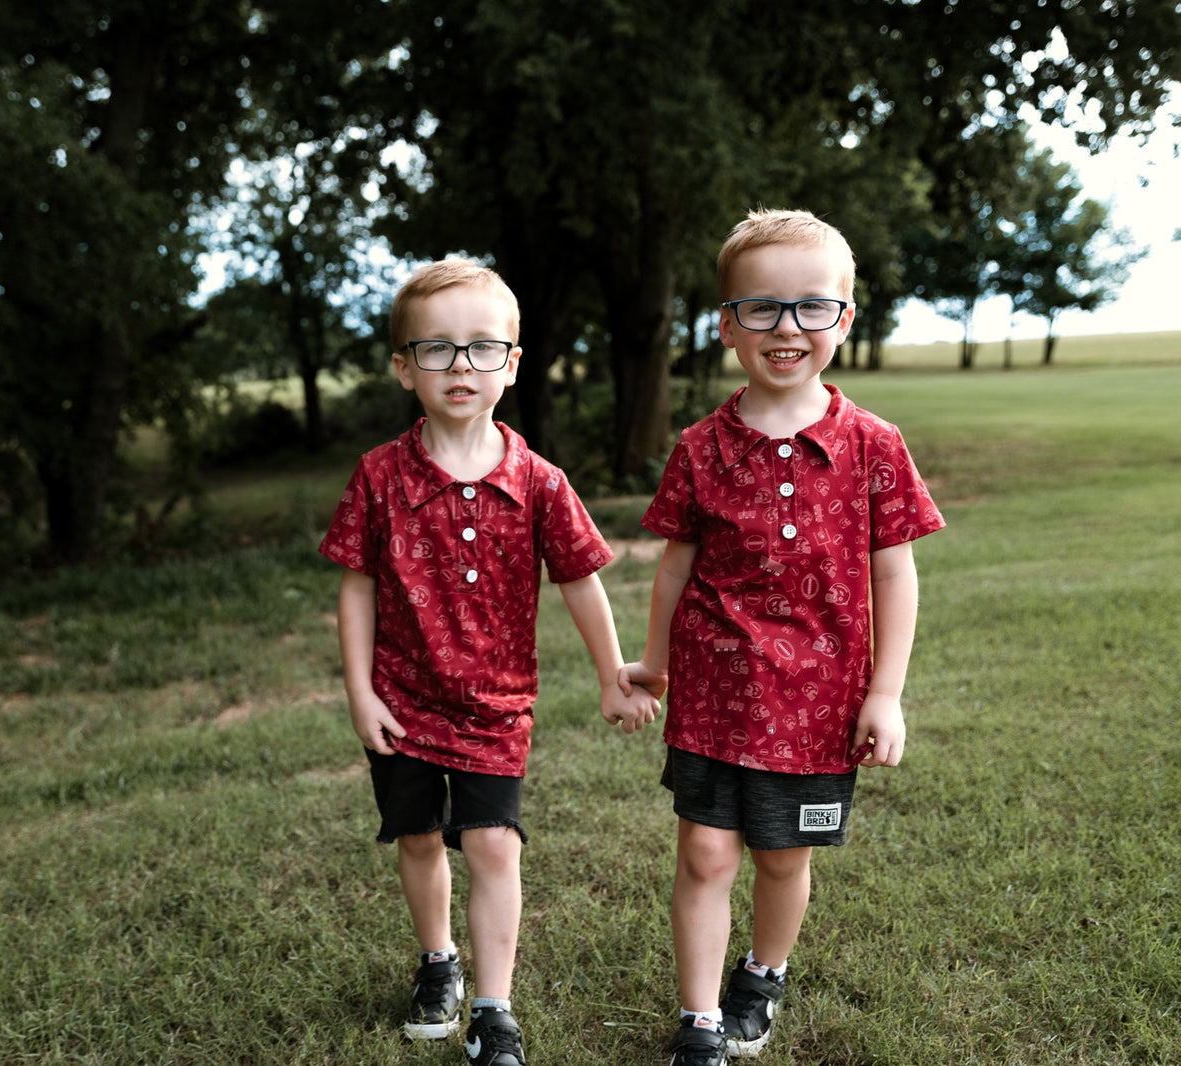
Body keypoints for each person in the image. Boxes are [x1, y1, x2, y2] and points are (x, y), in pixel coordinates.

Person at [620, 209, 945, 1065]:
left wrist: (885, 693)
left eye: (811, 308)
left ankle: (762, 972)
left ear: (844, 318)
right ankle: (698, 1022)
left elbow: (895, 574)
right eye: (761, 308)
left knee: (780, 858)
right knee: (704, 854)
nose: (786, 327)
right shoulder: (699, 448)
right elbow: (672, 568)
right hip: (714, 696)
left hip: (820, 705)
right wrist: (652, 665)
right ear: (727, 325)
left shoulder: (875, 445)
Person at [321, 257, 658, 1066]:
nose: (460, 366)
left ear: (511, 363)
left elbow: (581, 581)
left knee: (494, 844)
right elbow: (356, 590)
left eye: (481, 349)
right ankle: (438, 959)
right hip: (401, 697)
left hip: (496, 707)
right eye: (436, 350)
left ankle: (492, 1007)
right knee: (418, 840)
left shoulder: (539, 481)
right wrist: (360, 691)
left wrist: (613, 674)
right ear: (404, 368)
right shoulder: (379, 476)